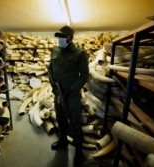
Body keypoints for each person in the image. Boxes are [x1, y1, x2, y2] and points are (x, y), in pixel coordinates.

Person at [48, 25, 89, 166]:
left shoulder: (79, 53)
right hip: (58, 93)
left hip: (71, 95)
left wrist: (72, 89)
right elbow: (50, 69)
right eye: (58, 37)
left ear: (70, 38)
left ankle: (78, 150)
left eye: (62, 37)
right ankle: (63, 141)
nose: (59, 39)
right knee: (61, 118)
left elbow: (84, 75)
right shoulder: (55, 51)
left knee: (75, 122)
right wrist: (54, 86)